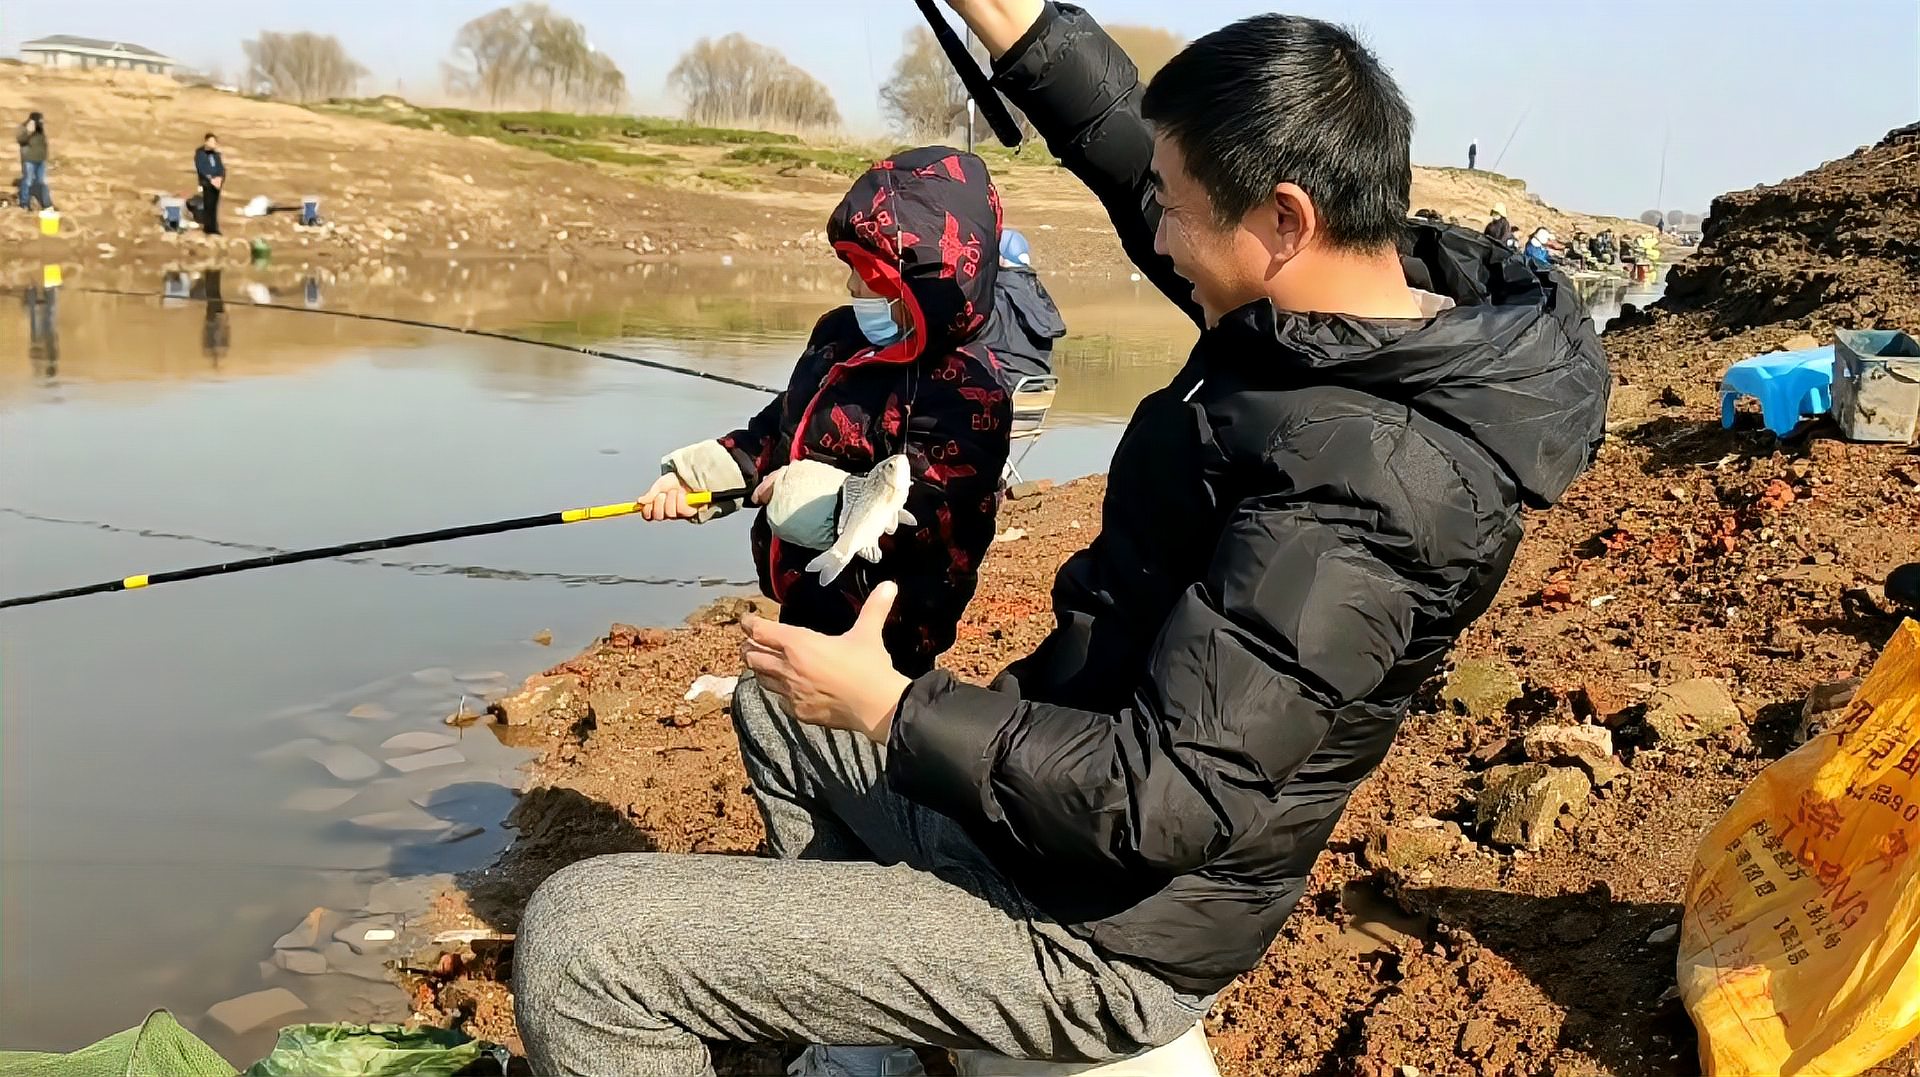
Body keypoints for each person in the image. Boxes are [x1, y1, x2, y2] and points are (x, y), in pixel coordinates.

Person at [512, 3, 1608, 1076]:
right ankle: (866, 1045)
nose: (1155, 231)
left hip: (1105, 936)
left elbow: (1165, 794)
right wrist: (1016, 22)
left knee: (583, 945)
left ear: (1283, 220)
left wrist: (895, 709)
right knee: (776, 699)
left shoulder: (1377, 482)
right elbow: (1130, 147)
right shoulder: (1334, 311)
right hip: (1050, 825)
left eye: (1175, 212)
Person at [635, 146, 1011, 679]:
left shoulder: (969, 389)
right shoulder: (838, 336)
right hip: (805, 597)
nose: (852, 286)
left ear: (925, 284)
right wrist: (703, 474)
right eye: (850, 267)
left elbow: (935, 520)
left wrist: (814, 501)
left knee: (805, 720)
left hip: (885, 632)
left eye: (870, 274)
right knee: (768, 705)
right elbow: (780, 428)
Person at [976, 227, 1067, 390]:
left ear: (1001, 259)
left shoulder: (991, 294)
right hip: (1038, 389)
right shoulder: (1039, 295)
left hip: (1002, 388)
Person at [16, 111, 52, 211]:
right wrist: (29, 132)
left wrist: (46, 158)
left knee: (42, 182)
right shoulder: (25, 128)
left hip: (41, 161)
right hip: (29, 160)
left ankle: (47, 205)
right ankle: (24, 204)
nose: (41, 122)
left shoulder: (40, 129)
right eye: (40, 120)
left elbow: (43, 144)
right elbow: (21, 140)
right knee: (27, 181)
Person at [194, 133, 224, 237]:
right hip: (207, 183)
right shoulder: (200, 153)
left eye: (215, 142)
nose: (213, 144)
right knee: (208, 205)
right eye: (211, 141)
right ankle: (208, 228)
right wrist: (211, 178)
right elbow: (201, 168)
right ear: (206, 141)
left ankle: (214, 228)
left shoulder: (216, 155)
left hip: (217, 184)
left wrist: (220, 178)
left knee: (214, 206)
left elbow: (221, 168)